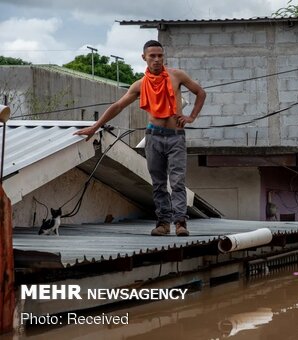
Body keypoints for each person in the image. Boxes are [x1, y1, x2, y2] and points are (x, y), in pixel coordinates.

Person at [74, 40, 206, 237]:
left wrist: (191, 117)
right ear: (144, 57)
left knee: (177, 181)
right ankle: (163, 223)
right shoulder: (140, 84)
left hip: (176, 136)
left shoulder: (176, 76)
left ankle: (180, 223)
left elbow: (200, 92)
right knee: (158, 182)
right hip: (153, 136)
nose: (156, 59)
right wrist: (95, 127)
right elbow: (118, 106)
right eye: (152, 56)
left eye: (160, 56)